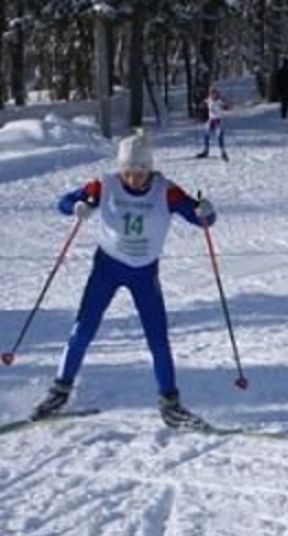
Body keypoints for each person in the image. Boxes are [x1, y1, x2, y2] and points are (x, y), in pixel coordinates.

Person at [33, 133, 218, 428]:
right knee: (83, 329)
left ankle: (170, 403)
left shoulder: (165, 191)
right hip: (107, 268)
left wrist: (205, 211)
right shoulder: (103, 185)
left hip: (144, 272)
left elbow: (201, 219)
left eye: (140, 172)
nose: (133, 179)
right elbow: (63, 202)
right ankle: (59, 391)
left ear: (149, 169)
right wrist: (77, 207)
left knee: (157, 337)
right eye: (128, 172)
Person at [196, 88, 228, 161]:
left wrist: (226, 106)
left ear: (217, 94)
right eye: (212, 94)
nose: (213, 96)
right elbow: (202, 104)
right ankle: (206, 151)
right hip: (211, 120)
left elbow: (226, 106)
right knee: (206, 135)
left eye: (214, 94)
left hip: (218, 120)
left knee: (219, 136)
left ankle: (223, 152)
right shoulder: (209, 99)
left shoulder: (220, 101)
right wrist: (201, 106)